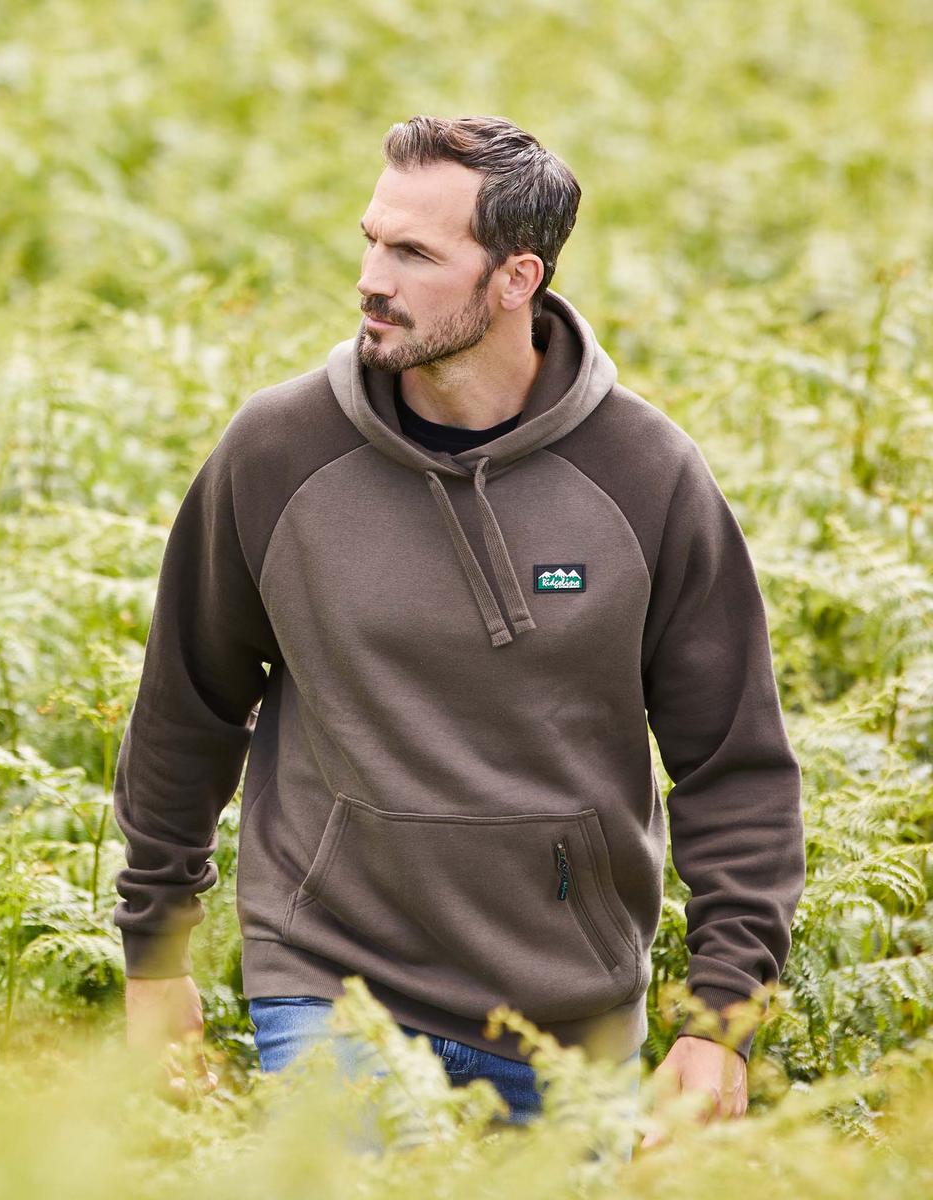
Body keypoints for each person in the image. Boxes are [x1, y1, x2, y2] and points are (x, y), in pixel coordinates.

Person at [114, 114, 806, 1152]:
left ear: (516, 279)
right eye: (371, 239)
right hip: (330, 983)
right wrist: (154, 955)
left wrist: (721, 1018)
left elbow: (734, 763)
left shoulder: (646, 477)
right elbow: (188, 705)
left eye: (414, 253)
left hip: (568, 1017)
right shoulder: (277, 452)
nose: (371, 278)